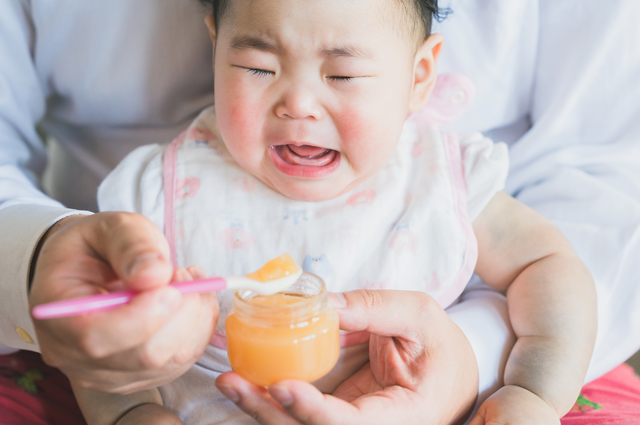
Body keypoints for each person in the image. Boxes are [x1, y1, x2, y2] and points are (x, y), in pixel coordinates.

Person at [1, 1, 639, 424]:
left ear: (420, 77)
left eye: (342, 76)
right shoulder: (159, 190)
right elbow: (109, 348)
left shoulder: (438, 176)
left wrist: (529, 391)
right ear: (214, 45)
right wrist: (136, 412)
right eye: (257, 66)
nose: (298, 103)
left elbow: (550, 264)